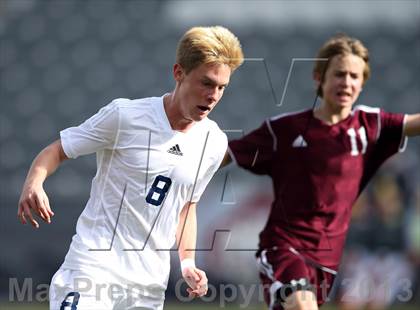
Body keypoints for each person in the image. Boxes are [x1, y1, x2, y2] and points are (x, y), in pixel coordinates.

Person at [18, 26, 243, 309]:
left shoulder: (214, 143)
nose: (214, 95)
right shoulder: (126, 115)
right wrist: (34, 182)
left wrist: (187, 262)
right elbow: (56, 151)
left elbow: (187, 207)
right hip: (94, 266)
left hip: (148, 283)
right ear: (179, 72)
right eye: (206, 83)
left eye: (222, 87)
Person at [222, 34, 420, 310]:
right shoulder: (285, 129)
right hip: (284, 248)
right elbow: (227, 154)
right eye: (339, 74)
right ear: (319, 78)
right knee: (303, 306)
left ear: (362, 82)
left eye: (354, 75)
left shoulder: (369, 125)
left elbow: (413, 124)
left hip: (327, 260)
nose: (346, 82)